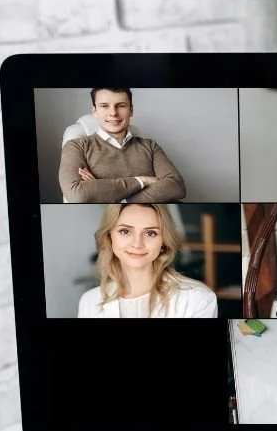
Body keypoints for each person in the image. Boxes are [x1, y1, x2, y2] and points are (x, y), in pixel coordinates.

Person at [76, 202, 217, 318]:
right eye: (125, 231)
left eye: (150, 233)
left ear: (163, 242)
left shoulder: (198, 299)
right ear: (109, 236)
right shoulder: (89, 301)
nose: (137, 244)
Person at [59, 87, 187, 204]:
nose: (113, 113)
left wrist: (108, 194)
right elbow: (78, 195)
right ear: (95, 111)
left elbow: (176, 187)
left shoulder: (150, 146)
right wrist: (142, 181)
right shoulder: (76, 146)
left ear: (131, 110)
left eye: (121, 106)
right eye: (104, 106)